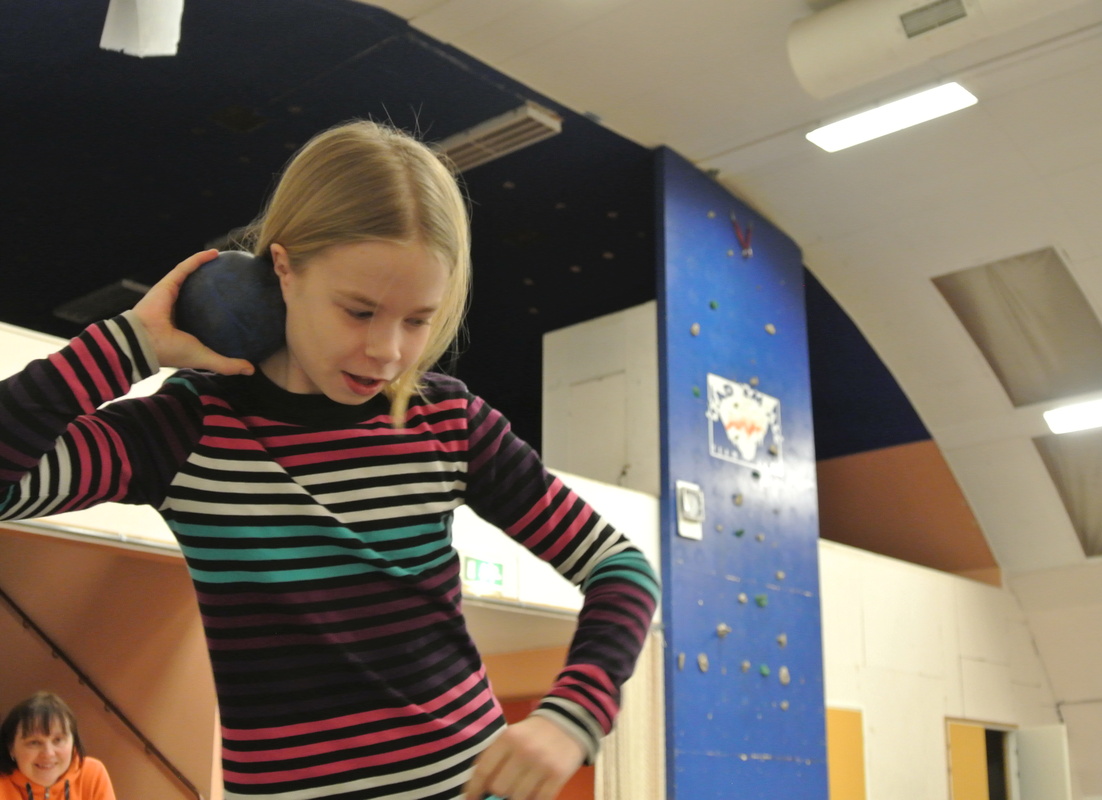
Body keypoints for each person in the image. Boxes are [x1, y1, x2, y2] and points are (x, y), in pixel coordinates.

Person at [0, 120, 659, 800]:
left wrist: (574, 714)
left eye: (417, 319)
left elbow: (620, 566)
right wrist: (127, 345)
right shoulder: (187, 427)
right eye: (359, 311)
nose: (388, 351)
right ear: (283, 270)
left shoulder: (445, 421)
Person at [1, 691, 117, 800]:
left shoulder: (92, 774)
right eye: (34, 742)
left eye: (58, 740)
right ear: (11, 748)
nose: (48, 753)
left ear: (73, 743)